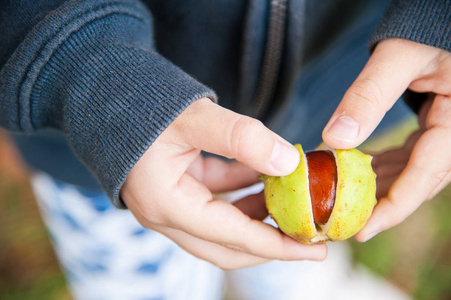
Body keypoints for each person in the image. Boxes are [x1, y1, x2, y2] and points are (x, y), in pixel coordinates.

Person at [1, 0, 449, 299]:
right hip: (103, 138)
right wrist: (83, 66)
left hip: (320, 91)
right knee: (137, 278)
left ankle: (288, 285)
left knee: (278, 247)